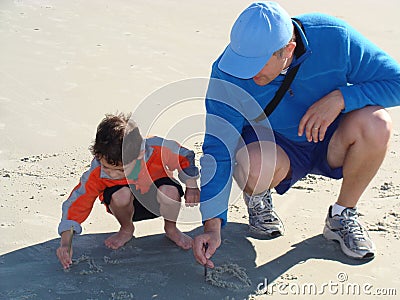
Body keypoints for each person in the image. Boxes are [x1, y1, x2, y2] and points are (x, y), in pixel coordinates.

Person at [193, 1, 400, 267]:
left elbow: (396, 82)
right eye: (242, 61)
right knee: (254, 165)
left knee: (377, 123)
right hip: (276, 147)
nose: (247, 72)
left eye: (256, 64)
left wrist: (341, 98)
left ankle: (342, 215)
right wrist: (212, 225)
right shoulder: (227, 72)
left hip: (331, 138)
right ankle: (257, 196)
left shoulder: (334, 36)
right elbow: (218, 148)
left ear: (287, 50)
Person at [56, 113, 200, 269]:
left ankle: (171, 228)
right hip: (125, 207)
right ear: (98, 155)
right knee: (120, 195)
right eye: (106, 167)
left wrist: (191, 184)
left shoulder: (157, 149)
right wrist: (66, 242)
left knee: (170, 191)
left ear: (140, 155)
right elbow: (78, 203)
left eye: (119, 170)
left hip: (158, 200)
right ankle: (126, 229)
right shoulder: (97, 171)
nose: (111, 174)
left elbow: (184, 155)